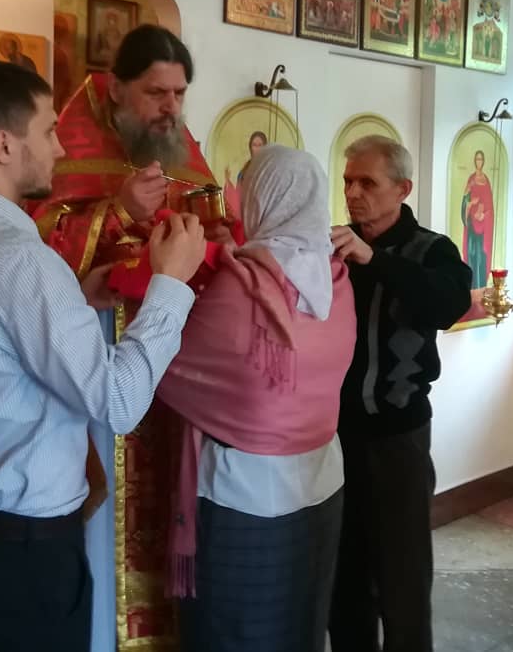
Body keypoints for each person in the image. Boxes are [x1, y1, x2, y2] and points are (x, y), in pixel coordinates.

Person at [0, 59, 208, 652]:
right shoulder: (20, 260)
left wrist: (76, 296)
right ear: (3, 145)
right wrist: (171, 283)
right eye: (47, 131)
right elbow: (118, 401)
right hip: (21, 555)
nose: (61, 149)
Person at [25, 24, 225, 649]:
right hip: (96, 351)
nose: (170, 107)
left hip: (174, 360)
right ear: (116, 89)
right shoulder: (68, 141)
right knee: (108, 516)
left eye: (179, 93)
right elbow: (31, 249)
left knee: (169, 497)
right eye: (155, 93)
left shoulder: (178, 145)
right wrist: (114, 210)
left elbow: (210, 219)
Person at [156, 145, 356, 652]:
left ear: (264, 199)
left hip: (243, 498)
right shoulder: (338, 281)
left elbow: (167, 371)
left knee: (235, 630)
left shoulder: (241, 287)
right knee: (301, 624)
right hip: (322, 486)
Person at [328, 135, 472, 652]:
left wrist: (375, 260)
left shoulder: (432, 250)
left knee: (403, 577)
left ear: (402, 189)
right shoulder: (335, 246)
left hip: (398, 438)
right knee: (345, 576)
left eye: (367, 182)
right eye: (348, 181)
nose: (353, 193)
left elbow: (447, 304)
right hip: (337, 438)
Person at [461, 148, 493, 289]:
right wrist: (470, 204)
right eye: (477, 159)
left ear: (483, 162)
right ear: (475, 161)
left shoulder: (486, 181)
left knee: (481, 256)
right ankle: (471, 288)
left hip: (483, 228)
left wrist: (484, 215)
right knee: (472, 254)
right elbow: (465, 200)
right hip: (472, 225)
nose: (479, 162)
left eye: (481, 159)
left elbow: (490, 207)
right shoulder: (471, 180)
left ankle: (481, 288)